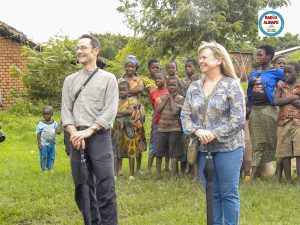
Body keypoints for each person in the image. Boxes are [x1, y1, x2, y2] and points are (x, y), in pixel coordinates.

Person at [181, 41, 245, 224]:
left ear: (218, 60)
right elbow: (185, 115)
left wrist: (214, 133)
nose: (200, 61)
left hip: (229, 148)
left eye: (204, 57)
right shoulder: (194, 87)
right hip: (202, 149)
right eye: (199, 57)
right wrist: (198, 130)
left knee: (228, 193)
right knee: (211, 193)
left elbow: (238, 119)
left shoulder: (232, 85)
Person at [61, 34, 118, 225]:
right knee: (82, 186)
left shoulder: (109, 79)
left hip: (99, 136)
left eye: (83, 47)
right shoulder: (70, 80)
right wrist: (74, 132)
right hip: (76, 138)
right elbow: (65, 110)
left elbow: (110, 109)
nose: (79, 51)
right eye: (77, 48)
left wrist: (89, 131)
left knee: (105, 184)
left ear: (95, 51)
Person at [247, 45, 285, 182]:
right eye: (257, 55)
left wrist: (281, 94)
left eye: (260, 55)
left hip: (270, 111)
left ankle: (279, 175)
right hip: (255, 112)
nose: (258, 57)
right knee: (257, 143)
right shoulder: (253, 74)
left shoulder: (278, 72)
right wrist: (249, 107)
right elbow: (250, 93)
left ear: (269, 57)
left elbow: (291, 82)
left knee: (275, 141)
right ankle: (253, 176)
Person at [118, 55, 147, 174]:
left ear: (136, 68)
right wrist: (129, 92)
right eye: (128, 66)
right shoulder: (119, 80)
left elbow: (139, 89)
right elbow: (117, 92)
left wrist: (124, 91)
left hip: (137, 112)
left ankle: (138, 168)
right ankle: (119, 169)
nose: (130, 68)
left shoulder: (139, 80)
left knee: (138, 135)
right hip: (122, 109)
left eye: (132, 66)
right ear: (125, 67)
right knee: (122, 136)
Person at [274, 62, 300, 185]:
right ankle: (288, 180)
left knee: (299, 151)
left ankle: (299, 180)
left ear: (297, 73)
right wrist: (293, 98)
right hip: (283, 122)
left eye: (290, 72)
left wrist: (285, 100)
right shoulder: (280, 87)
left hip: (298, 122)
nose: (287, 74)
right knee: (284, 152)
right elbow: (276, 101)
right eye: (285, 72)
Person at [156, 76, 185, 179]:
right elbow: (158, 110)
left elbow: (174, 111)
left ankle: (173, 175)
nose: (171, 87)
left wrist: (171, 99)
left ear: (177, 86)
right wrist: (166, 99)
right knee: (159, 152)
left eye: (174, 85)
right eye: (169, 85)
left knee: (173, 153)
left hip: (174, 128)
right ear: (166, 86)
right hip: (162, 128)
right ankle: (158, 174)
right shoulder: (163, 97)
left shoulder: (181, 99)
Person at [178, 58, 200, 178]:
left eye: (189, 67)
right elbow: (181, 97)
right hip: (186, 112)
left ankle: (194, 171)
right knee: (187, 142)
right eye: (185, 67)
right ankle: (188, 168)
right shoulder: (182, 81)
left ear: (195, 67)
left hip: (198, 113)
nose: (187, 69)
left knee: (197, 142)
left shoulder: (200, 79)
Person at [112, 80, 138, 180]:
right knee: (116, 150)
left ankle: (131, 174)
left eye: (124, 90)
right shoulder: (115, 101)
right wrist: (123, 112)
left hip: (128, 128)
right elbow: (112, 113)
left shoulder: (131, 101)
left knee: (131, 149)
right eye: (120, 90)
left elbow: (130, 112)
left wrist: (117, 112)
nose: (122, 92)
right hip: (117, 128)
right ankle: (115, 173)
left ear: (128, 91)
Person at [147, 71, 168, 175]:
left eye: (160, 78)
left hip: (168, 122)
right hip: (157, 122)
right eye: (155, 79)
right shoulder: (153, 92)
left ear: (165, 78)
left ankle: (167, 167)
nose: (157, 80)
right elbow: (153, 106)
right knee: (154, 143)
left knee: (167, 144)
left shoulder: (169, 91)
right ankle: (149, 168)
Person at [36, 105, 60, 171]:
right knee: (43, 157)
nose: (46, 116)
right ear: (42, 115)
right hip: (43, 144)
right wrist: (39, 144)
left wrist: (58, 130)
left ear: (52, 114)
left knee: (51, 157)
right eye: (44, 114)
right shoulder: (41, 124)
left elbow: (58, 132)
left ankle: (50, 168)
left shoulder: (54, 123)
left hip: (52, 144)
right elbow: (38, 134)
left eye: (48, 114)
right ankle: (43, 169)